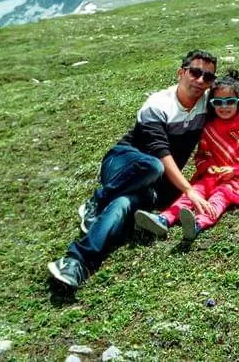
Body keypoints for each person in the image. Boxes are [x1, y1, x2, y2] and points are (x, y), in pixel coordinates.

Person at [47, 49, 218, 290]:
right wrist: (189, 190)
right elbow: (161, 152)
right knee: (152, 166)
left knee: (123, 205)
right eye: (195, 72)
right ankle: (97, 200)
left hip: (157, 183)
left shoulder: (207, 103)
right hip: (123, 164)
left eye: (208, 77)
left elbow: (232, 116)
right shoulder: (158, 104)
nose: (201, 80)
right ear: (181, 72)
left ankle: (76, 261)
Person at [134, 70, 239, 241]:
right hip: (211, 175)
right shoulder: (209, 129)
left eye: (230, 101)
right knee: (194, 192)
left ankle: (198, 223)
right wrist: (209, 166)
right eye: (218, 102)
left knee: (221, 196)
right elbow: (202, 155)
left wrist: (235, 170)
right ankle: (164, 219)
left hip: (236, 180)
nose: (224, 107)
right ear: (212, 104)